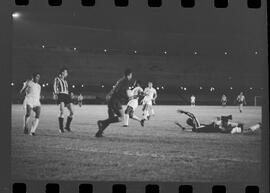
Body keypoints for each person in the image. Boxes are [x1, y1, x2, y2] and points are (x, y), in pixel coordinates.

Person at [95, 69, 133, 137]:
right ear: (129, 75)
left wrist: (109, 95)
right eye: (131, 75)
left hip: (113, 100)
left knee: (111, 119)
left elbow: (115, 89)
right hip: (115, 101)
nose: (131, 77)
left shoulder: (121, 80)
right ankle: (101, 122)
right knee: (121, 117)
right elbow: (119, 91)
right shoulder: (125, 81)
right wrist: (127, 97)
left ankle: (99, 133)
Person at [175, 110, 244, 133]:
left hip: (213, 128)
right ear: (192, 122)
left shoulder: (195, 129)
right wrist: (183, 112)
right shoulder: (197, 125)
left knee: (223, 124)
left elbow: (186, 129)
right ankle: (238, 126)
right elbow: (193, 116)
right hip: (214, 127)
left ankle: (237, 126)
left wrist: (180, 126)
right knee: (224, 125)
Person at [53, 68, 74, 133]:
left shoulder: (65, 81)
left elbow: (67, 89)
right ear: (62, 72)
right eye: (66, 72)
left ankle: (67, 126)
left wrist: (71, 94)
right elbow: (54, 86)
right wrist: (55, 94)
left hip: (67, 96)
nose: (67, 73)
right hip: (61, 95)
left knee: (71, 112)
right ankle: (61, 128)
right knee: (62, 111)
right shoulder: (57, 79)